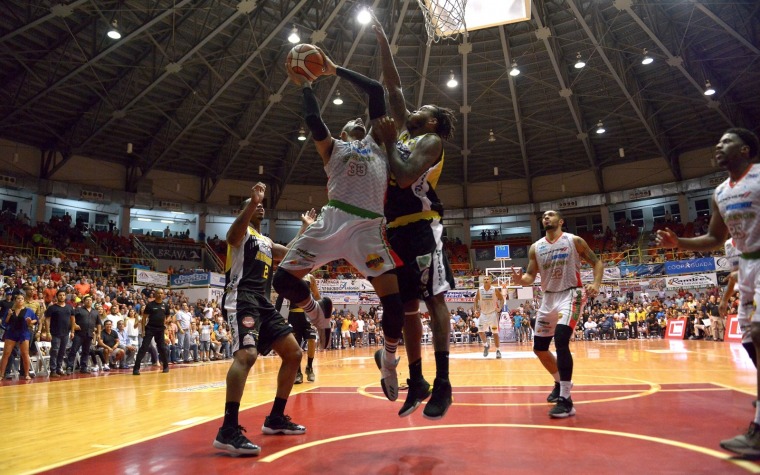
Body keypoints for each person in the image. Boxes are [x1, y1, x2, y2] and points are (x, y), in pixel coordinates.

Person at [273, 50, 407, 404]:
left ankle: (390, 361)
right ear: (345, 132)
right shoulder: (333, 148)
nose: (358, 124)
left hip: (368, 229)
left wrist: (334, 70)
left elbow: (377, 90)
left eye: (361, 123)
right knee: (283, 280)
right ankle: (319, 316)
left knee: (395, 305)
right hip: (332, 219)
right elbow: (314, 121)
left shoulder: (377, 143)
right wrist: (305, 87)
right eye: (352, 124)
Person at [371, 16, 458, 419]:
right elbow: (393, 87)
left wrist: (390, 142)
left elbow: (405, 178)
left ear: (435, 120)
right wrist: (384, 41)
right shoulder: (408, 135)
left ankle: (443, 383)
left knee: (434, 299)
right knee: (406, 309)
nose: (413, 110)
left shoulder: (430, 140)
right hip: (394, 232)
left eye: (422, 109)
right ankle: (417, 379)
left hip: (423, 229)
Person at [655, 127, 759, 457]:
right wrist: (678, 243)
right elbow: (715, 238)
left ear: (745, 150)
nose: (718, 144)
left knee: (759, 330)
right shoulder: (720, 192)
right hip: (746, 267)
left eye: (727, 141)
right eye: (718, 140)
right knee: (750, 340)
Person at [212, 182, 313, 456]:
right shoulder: (243, 233)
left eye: (261, 204)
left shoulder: (266, 241)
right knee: (246, 355)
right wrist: (251, 203)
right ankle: (228, 429)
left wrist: (304, 228)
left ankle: (276, 417)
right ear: (247, 208)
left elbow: (289, 254)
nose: (261, 205)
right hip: (242, 297)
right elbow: (232, 237)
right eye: (255, 204)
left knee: (294, 353)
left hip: (263, 302)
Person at [514, 209, 603, 418]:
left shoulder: (574, 240)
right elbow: (529, 276)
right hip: (548, 297)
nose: (546, 217)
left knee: (561, 340)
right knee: (539, 348)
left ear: (560, 221)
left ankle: (566, 400)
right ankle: (559, 381)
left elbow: (597, 262)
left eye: (551, 215)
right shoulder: (536, 247)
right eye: (544, 216)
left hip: (571, 294)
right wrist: (520, 280)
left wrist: (596, 283)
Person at [275, 273, 321, 384]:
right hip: (293, 315)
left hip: (307, 315)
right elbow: (281, 296)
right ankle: (298, 373)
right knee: (296, 346)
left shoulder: (310, 278)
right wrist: (275, 312)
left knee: (311, 340)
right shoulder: (289, 276)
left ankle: (309, 368)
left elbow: (317, 296)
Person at [0, 293, 38, 380]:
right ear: (15, 300)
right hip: (11, 333)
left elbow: (36, 320)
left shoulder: (28, 310)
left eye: (21, 299)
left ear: (24, 301)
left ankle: (26, 374)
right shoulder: (10, 310)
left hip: (23, 332)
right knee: (6, 354)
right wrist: (9, 315)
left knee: (25, 354)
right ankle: (1, 374)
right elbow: (4, 323)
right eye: (18, 298)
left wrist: (30, 322)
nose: (20, 300)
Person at [133, 289, 170, 375]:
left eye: (161, 293)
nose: (160, 294)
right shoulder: (150, 305)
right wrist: (143, 331)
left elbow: (168, 315)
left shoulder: (165, 305)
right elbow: (144, 318)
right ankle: (136, 369)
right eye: (158, 293)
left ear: (163, 294)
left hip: (160, 329)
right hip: (150, 328)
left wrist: (167, 321)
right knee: (144, 347)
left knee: (162, 348)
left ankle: (166, 366)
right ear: (155, 294)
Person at [66, 295, 101, 374]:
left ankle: (83, 367)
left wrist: (98, 333)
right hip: (79, 334)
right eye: (87, 300)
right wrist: (74, 325)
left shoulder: (95, 312)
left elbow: (98, 323)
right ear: (84, 301)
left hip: (89, 334)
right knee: (74, 350)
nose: (89, 301)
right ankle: (69, 367)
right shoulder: (78, 310)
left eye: (90, 300)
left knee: (86, 351)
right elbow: (71, 318)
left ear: (92, 302)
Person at [43, 288, 74, 377]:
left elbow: (73, 320)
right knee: (55, 351)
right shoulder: (52, 308)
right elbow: (47, 320)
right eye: (60, 295)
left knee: (62, 351)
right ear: (57, 297)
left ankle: (58, 368)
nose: (62, 296)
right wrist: (48, 332)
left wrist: (72, 331)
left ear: (65, 296)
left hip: (66, 333)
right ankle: (53, 370)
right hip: (55, 333)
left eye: (63, 295)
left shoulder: (69, 307)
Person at [474, 275, 504, 358]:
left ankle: (498, 350)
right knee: (480, 331)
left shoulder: (494, 289)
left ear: (490, 281)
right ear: (483, 281)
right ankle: (486, 345)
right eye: (485, 279)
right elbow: (476, 300)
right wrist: (476, 309)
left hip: (493, 315)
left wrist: (500, 308)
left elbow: (501, 298)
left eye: (487, 279)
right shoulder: (480, 290)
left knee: (495, 333)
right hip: (483, 315)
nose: (486, 280)